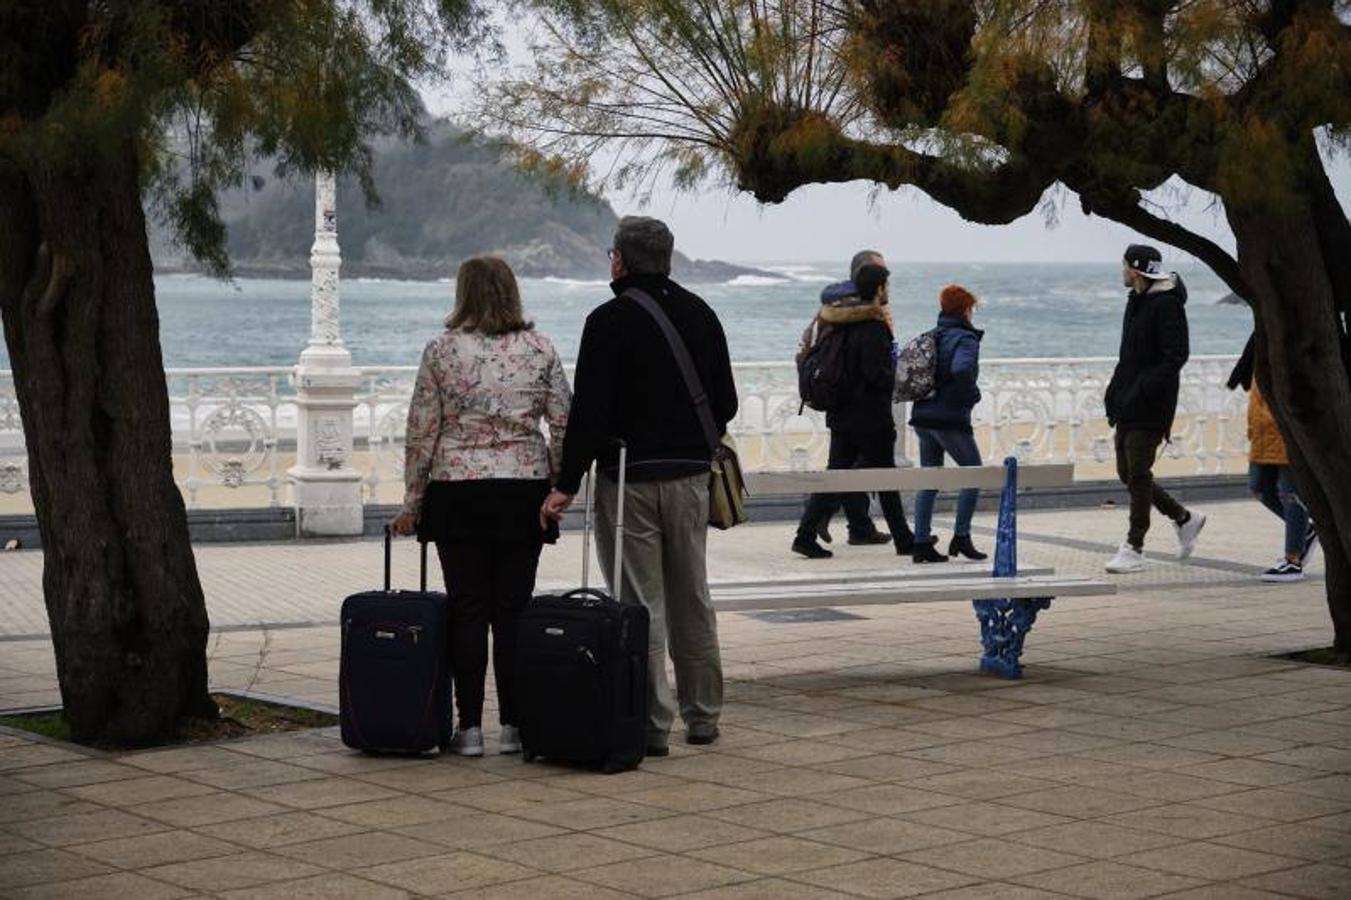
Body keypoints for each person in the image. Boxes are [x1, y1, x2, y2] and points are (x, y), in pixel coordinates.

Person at [540, 216, 737, 756]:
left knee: (638, 600)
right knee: (692, 595)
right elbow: (727, 402)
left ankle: (653, 722)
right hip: (691, 476)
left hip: (629, 477)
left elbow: (590, 413)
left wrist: (565, 482)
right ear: (669, 257)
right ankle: (703, 714)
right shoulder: (701, 313)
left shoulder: (607, 320)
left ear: (620, 261)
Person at [391, 256, 571, 757]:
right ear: (512, 292)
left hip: (458, 490)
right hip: (522, 492)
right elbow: (563, 423)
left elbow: (422, 430)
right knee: (514, 611)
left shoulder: (442, 351)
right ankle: (514, 725)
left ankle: (469, 727)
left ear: (462, 293)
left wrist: (413, 500)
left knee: (467, 609)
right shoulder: (540, 348)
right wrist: (560, 487)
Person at [791, 262, 915, 560]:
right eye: (887, 286)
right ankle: (904, 539)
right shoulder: (872, 327)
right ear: (879, 288)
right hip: (870, 417)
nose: (888, 291)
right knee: (886, 478)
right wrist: (900, 375)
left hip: (842, 413)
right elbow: (875, 374)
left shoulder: (840, 322)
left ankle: (805, 535)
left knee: (837, 475)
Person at [1103, 244, 1206, 574]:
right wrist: (1114, 391)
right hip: (1129, 402)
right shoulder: (1136, 301)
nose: (1121, 271)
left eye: (1123, 266)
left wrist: (1142, 390)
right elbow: (1128, 357)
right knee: (1128, 473)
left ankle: (1134, 547)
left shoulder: (1167, 306)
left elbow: (1176, 357)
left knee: (1138, 474)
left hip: (1152, 405)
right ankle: (1184, 518)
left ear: (1135, 269)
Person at [1227, 336, 1319, 582]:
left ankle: (1293, 561)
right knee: (1259, 487)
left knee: (1291, 493)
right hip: (1261, 423)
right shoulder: (1261, 331)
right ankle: (1306, 531)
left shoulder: (1292, 329)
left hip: (1286, 424)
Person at [909, 284, 988, 563]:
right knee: (974, 474)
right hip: (949, 419)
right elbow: (961, 370)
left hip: (923, 417)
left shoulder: (933, 335)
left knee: (929, 479)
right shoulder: (965, 338)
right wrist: (972, 396)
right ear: (966, 309)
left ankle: (921, 542)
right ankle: (961, 536)